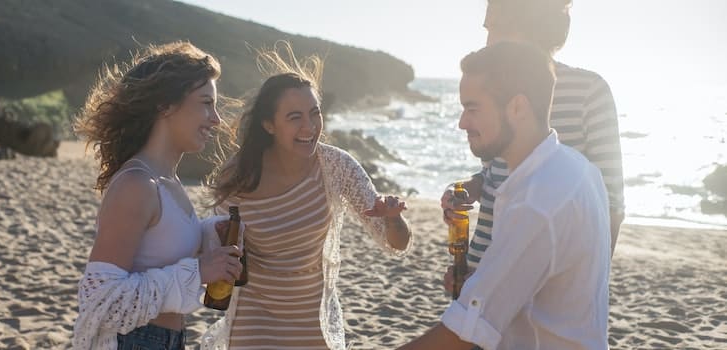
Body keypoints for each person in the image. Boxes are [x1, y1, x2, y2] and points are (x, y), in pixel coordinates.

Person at [200, 43, 413, 350]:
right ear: (269, 125)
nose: (309, 127)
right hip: (254, 320)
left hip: (312, 322)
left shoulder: (335, 166)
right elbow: (221, 255)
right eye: (295, 117)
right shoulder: (238, 177)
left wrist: (393, 219)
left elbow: (396, 243)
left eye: (314, 114)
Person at [399, 42, 611, 349]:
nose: (462, 123)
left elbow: (462, 335)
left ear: (517, 107)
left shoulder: (537, 202)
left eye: (472, 108)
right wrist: (487, 276)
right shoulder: (578, 169)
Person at [71, 41, 243, 349]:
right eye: (206, 103)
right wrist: (199, 271)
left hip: (169, 339)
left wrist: (208, 234)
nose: (216, 119)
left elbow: (158, 252)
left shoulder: (168, 182)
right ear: (165, 105)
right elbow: (101, 299)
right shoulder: (136, 185)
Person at [443, 0, 625, 288]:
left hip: (539, 287)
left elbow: (610, 203)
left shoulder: (589, 91)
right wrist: (469, 189)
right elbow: (496, 174)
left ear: (528, 27)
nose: (487, 42)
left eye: (495, 28)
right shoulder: (495, 88)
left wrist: (587, 287)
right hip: (480, 273)